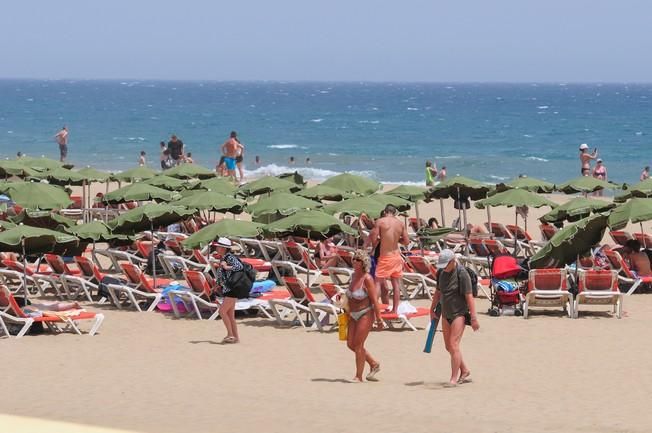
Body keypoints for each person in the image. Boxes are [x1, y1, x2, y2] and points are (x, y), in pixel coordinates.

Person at [429, 249, 479, 387]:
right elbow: (438, 293)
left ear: (452, 261)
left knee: (454, 344)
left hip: (459, 313)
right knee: (448, 346)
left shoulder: (461, 273)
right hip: (445, 313)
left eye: (446, 264)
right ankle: (464, 370)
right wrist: (431, 309)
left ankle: (453, 378)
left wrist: (474, 318)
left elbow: (469, 297)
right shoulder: (440, 273)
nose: (444, 267)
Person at [345, 250, 384, 383]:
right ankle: (373, 363)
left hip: (365, 314)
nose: (355, 261)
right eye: (354, 258)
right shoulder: (353, 275)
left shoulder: (367, 279)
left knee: (358, 345)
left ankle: (358, 376)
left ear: (363, 263)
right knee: (350, 344)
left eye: (358, 259)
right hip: (352, 314)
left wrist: (379, 319)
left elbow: (374, 300)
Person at [368, 205, 409, 314]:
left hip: (385, 256)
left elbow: (373, 237)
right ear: (394, 213)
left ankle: (374, 310)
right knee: (395, 284)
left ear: (385, 211)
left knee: (377, 283)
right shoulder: (400, 223)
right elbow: (406, 241)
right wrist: (396, 240)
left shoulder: (380, 222)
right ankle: (395, 310)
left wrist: (378, 242)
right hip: (396, 256)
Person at [215, 237, 248, 343]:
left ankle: (230, 334)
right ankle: (236, 337)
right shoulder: (224, 258)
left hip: (232, 288)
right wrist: (217, 284)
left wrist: (226, 267)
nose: (217, 248)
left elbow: (240, 267)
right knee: (230, 315)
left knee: (222, 311)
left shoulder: (229, 257)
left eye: (219, 246)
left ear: (224, 248)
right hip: (228, 288)